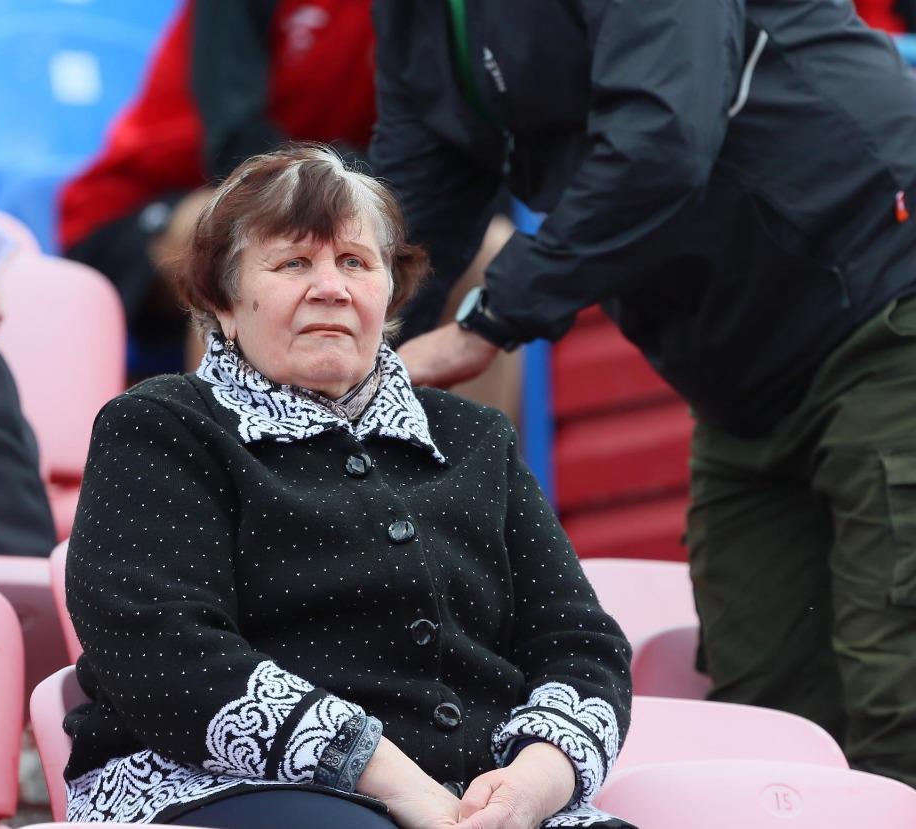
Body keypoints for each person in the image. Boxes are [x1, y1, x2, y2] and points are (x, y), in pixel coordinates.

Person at [370, 1, 916, 787]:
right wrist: (353, 340)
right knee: (766, 735)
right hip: (738, 384)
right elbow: (422, 181)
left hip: (885, 296)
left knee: (901, 699)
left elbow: (662, 137)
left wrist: (490, 319)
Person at [63, 146, 634, 829]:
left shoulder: (475, 436)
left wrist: (530, 786)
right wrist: (392, 780)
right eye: (293, 263)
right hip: (215, 789)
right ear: (222, 300)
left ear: (388, 295)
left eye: (356, 263)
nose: (331, 287)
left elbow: (580, 643)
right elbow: (160, 649)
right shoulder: (160, 426)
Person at [58, 0, 375, 370]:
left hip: (324, 196)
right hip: (131, 206)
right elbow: (235, 144)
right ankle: (220, 409)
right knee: (247, 233)